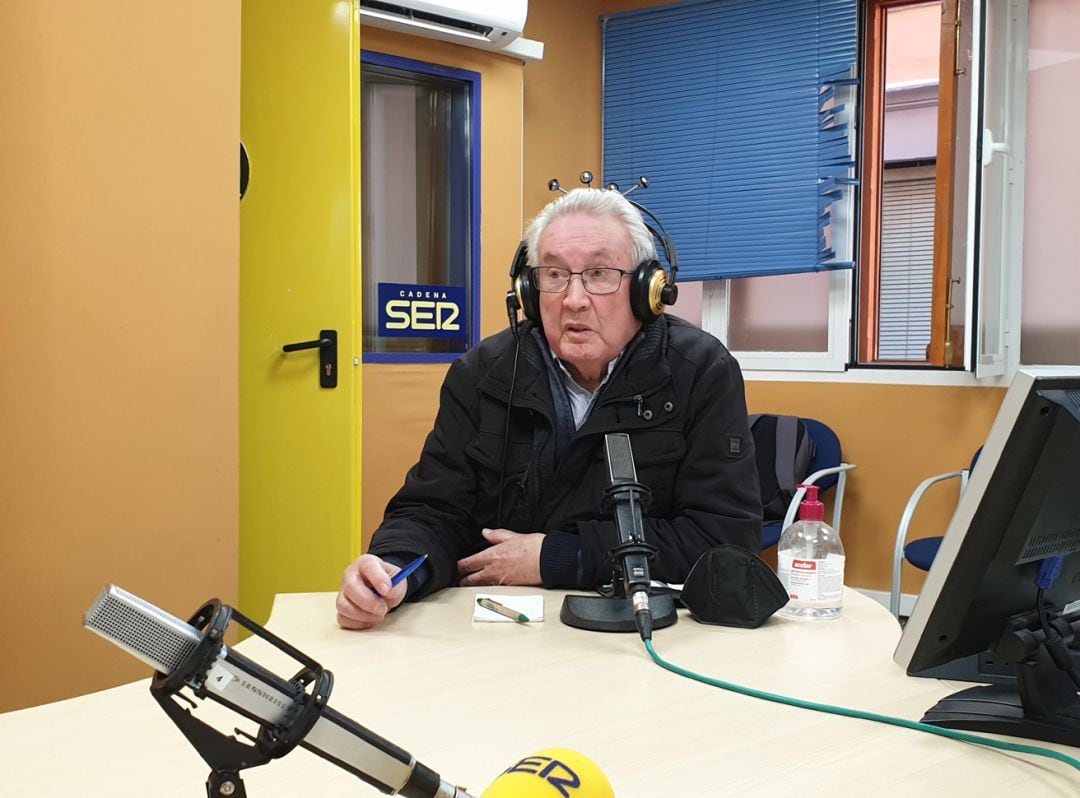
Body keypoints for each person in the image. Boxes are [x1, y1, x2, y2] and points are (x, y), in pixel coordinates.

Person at [337, 188, 761, 630]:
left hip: (636, 631)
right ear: (527, 290)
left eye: (599, 274)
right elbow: (432, 511)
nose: (573, 299)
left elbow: (724, 542)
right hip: (497, 633)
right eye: (554, 275)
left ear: (646, 289)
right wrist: (396, 568)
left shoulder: (699, 371)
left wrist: (556, 557)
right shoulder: (483, 372)